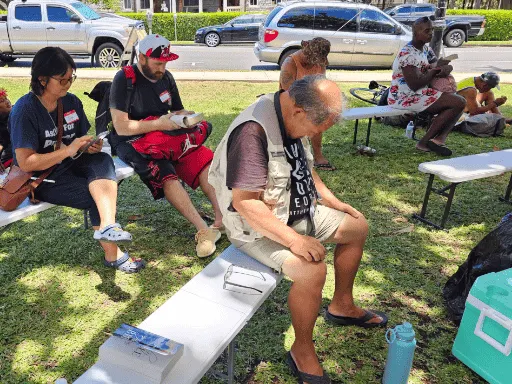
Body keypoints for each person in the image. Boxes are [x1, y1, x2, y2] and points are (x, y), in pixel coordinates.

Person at [209, 75, 388, 384]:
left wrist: (332, 200)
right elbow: (246, 204)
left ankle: (342, 306)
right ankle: (302, 350)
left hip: (296, 210)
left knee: (358, 227)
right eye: (314, 130)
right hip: (256, 226)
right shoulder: (252, 132)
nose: (314, 136)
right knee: (311, 270)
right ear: (298, 111)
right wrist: (294, 240)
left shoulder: (294, 112)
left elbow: (304, 167)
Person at [9, 47, 145, 273]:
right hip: (43, 177)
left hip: (70, 163)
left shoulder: (71, 102)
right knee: (96, 195)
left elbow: (80, 141)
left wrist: (89, 146)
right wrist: (67, 151)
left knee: (102, 159)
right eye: (62, 80)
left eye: (71, 77)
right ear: (42, 80)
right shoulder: (25, 110)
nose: (68, 83)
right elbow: (26, 163)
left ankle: (109, 226)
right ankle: (113, 255)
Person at [109, 34, 223, 258]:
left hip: (164, 136)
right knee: (165, 173)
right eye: (157, 63)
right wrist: (158, 124)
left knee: (201, 158)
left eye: (165, 62)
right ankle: (202, 229)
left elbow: (176, 110)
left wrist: (185, 117)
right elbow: (121, 127)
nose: (162, 68)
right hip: (132, 142)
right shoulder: (124, 79)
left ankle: (221, 218)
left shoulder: (166, 77)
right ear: (142, 58)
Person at [388, 16, 466, 156]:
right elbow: (414, 84)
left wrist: (443, 67)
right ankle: (424, 142)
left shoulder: (425, 49)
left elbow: (432, 66)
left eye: (432, 30)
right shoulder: (408, 54)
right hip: (403, 97)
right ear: (416, 33)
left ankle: (438, 139)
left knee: (459, 101)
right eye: (426, 31)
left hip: (419, 93)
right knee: (458, 102)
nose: (430, 33)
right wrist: (435, 71)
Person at [279, 38, 335, 171]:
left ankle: (318, 155)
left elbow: (320, 84)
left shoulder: (319, 63)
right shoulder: (290, 63)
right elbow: (288, 94)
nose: (323, 63)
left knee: (320, 114)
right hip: (291, 104)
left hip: (309, 101)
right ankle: (295, 153)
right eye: (319, 59)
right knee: (310, 115)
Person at [455, 72, 509, 137]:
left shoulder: (473, 80)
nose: (490, 89)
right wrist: (495, 103)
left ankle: (500, 119)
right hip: (459, 116)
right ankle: (499, 120)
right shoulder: (470, 90)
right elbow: (474, 112)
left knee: (488, 93)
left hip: (465, 108)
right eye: (490, 87)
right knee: (486, 121)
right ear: (484, 85)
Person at [0, 88, 13, 170]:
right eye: (1, 101)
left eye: (6, 99)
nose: (7, 102)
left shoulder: (17, 113)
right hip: (7, 159)